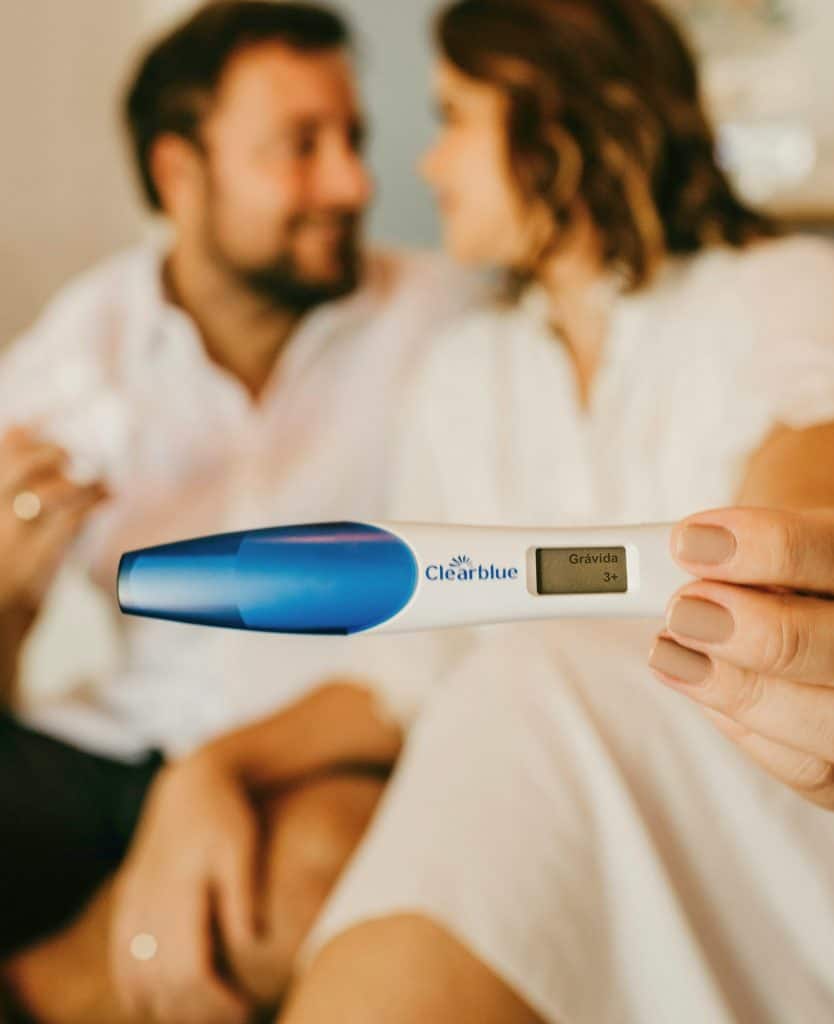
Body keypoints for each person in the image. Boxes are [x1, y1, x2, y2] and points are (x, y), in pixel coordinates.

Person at [266, 2, 834, 1022]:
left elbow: (809, 463)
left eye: (452, 118)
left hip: (761, 814)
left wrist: (787, 531)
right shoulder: (462, 373)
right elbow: (404, 673)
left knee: (535, 665)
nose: (427, 166)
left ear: (557, 123)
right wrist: (210, 775)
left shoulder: (779, 290)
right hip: (532, 796)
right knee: (497, 695)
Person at [0, 3, 478, 1022]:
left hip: (326, 750)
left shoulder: (449, 321)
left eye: (352, 138)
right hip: (118, 744)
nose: (352, 184)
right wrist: (4, 591)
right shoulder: (69, 364)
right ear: (180, 173)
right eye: (299, 148)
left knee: (301, 883)